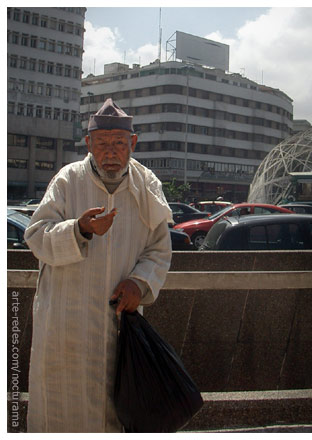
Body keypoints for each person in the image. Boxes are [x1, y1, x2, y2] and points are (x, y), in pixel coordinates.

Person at [24, 98, 173, 433]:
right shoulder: (67, 181)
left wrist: (139, 283)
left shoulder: (147, 186)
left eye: (119, 143)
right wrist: (79, 229)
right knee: (63, 412)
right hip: (66, 329)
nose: (111, 152)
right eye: (102, 143)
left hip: (118, 327)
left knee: (115, 413)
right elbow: (35, 237)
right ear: (88, 143)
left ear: (132, 144)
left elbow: (159, 249)